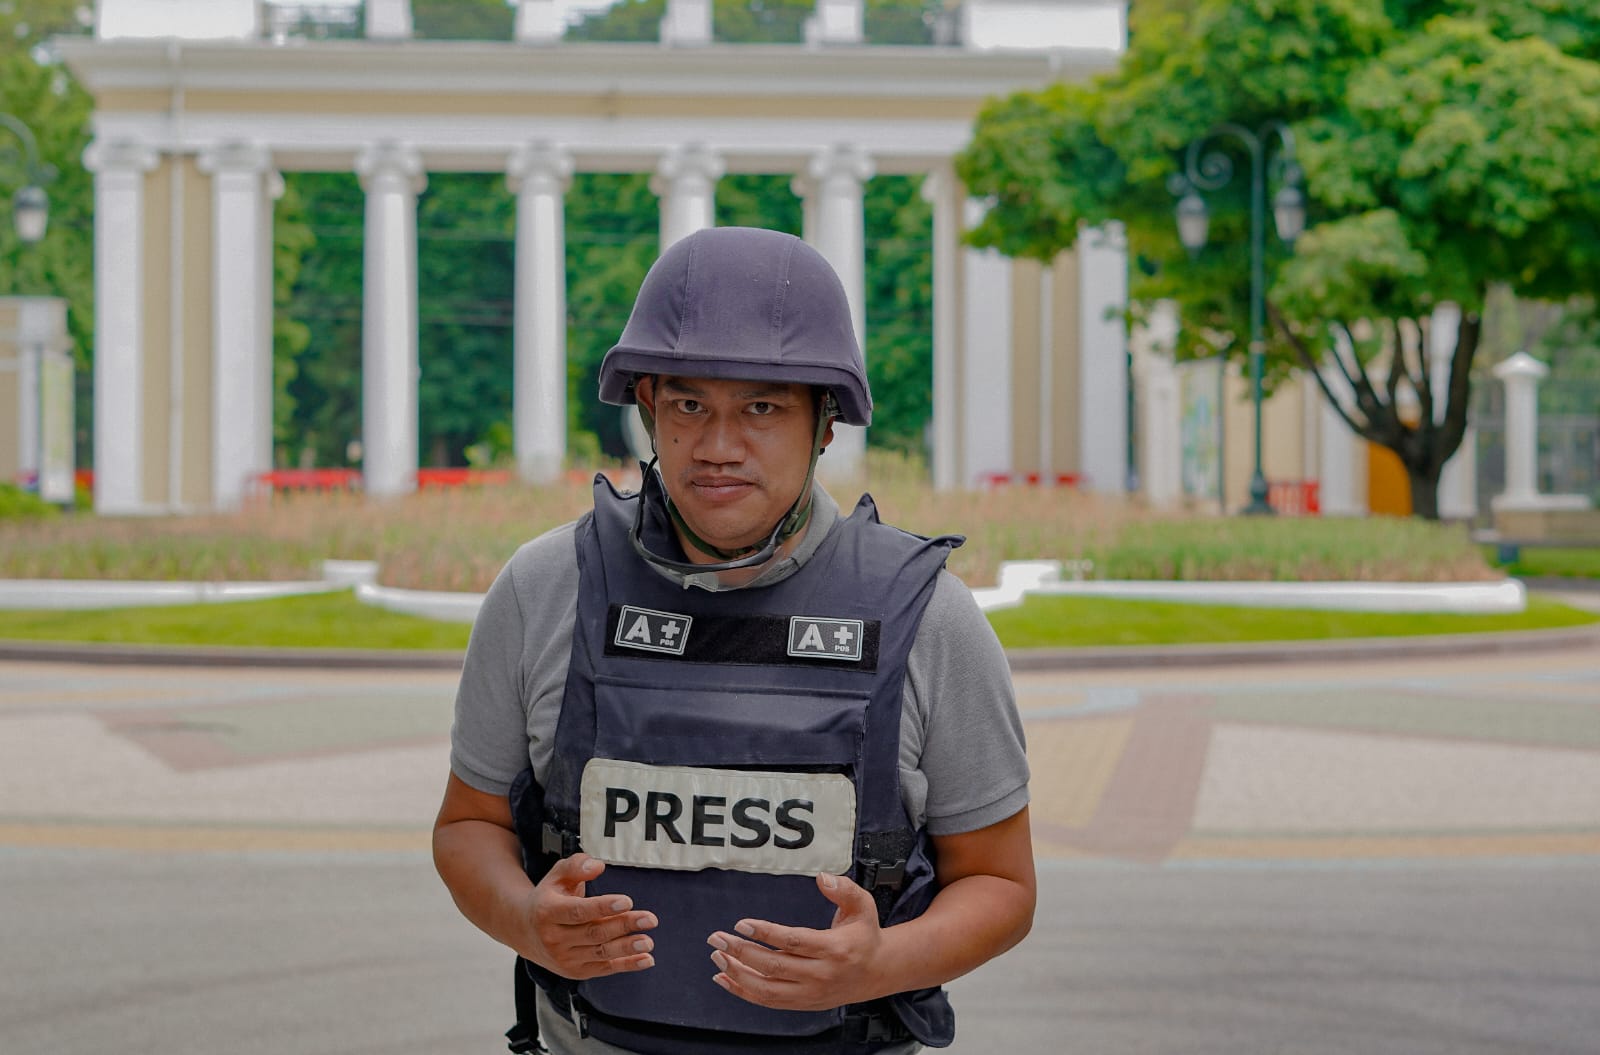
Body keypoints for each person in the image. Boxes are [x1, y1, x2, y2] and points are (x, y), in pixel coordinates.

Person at [433, 226, 1034, 1055]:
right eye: (688, 405)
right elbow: (468, 825)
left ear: (825, 424)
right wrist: (524, 918)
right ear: (647, 406)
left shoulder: (926, 617)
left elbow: (1001, 882)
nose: (717, 447)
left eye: (761, 407)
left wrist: (878, 963)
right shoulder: (546, 589)